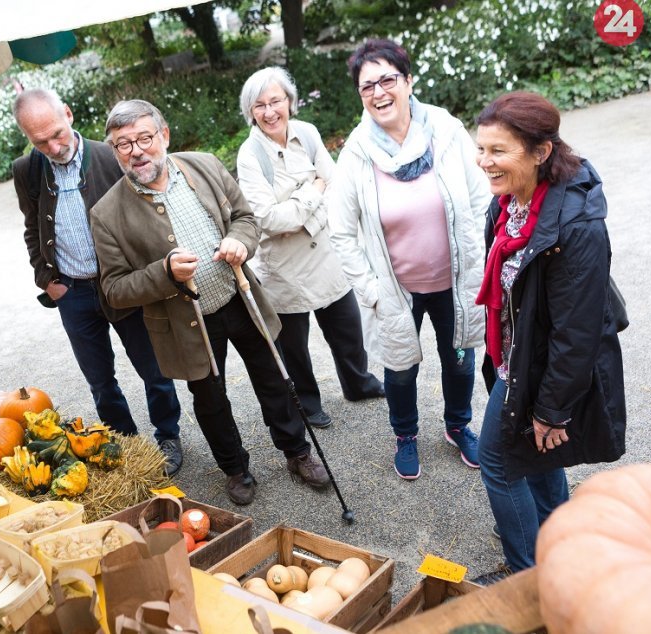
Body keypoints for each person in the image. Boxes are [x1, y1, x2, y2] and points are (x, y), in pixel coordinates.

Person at [90, 99, 330, 505]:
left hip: (238, 296)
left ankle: (297, 452)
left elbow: (246, 218)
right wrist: (164, 273)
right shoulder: (106, 212)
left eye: (145, 138)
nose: (137, 151)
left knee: (273, 378)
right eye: (123, 144)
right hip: (187, 319)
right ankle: (235, 468)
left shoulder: (204, 165)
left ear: (163, 135)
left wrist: (240, 240)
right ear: (114, 152)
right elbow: (113, 289)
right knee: (211, 400)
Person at [472, 91, 626, 583]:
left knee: (497, 461)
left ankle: (529, 576)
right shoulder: (509, 202)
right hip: (516, 355)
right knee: (536, 455)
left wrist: (551, 410)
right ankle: (561, 548)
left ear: (540, 152)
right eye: (481, 149)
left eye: (498, 151)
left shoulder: (577, 227)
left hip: (541, 365)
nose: (485, 163)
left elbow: (576, 334)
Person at [327, 39, 490, 480]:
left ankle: (458, 425)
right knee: (399, 370)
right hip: (397, 288)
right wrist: (371, 289)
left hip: (454, 279)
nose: (379, 93)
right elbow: (340, 230)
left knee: (459, 360)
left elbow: (479, 199)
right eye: (367, 86)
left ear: (408, 80)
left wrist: (479, 259)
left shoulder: (445, 129)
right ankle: (405, 435)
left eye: (387, 80)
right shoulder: (358, 152)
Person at [11, 89, 184, 475]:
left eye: (57, 133)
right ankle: (122, 442)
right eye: (41, 141)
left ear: (69, 115)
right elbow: (31, 228)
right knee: (100, 380)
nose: (54, 146)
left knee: (153, 369)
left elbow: (147, 210)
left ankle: (168, 435)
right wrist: (46, 279)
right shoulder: (27, 170)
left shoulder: (110, 155)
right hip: (72, 291)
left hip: (122, 285)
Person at [236, 66, 383, 430]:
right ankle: (307, 402)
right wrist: (312, 192)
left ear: (290, 101)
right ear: (250, 111)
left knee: (347, 329)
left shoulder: (308, 133)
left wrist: (305, 208)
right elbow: (268, 218)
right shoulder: (250, 154)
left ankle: (358, 382)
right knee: (295, 346)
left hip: (326, 254)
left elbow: (334, 183)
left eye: (276, 101)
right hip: (285, 267)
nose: (270, 112)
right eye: (260, 105)